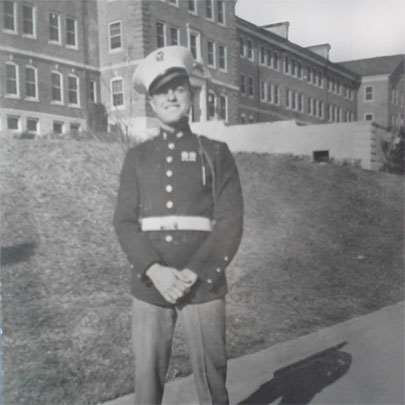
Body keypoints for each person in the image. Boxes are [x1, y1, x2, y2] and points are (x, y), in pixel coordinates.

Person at [113, 45, 244, 405]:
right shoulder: (137, 158)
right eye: (161, 91)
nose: (170, 96)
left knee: (212, 377)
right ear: (151, 103)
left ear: (191, 96)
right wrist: (154, 270)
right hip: (150, 283)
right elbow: (124, 221)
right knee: (147, 380)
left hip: (203, 281)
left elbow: (230, 220)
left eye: (178, 88)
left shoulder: (215, 153)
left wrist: (195, 272)